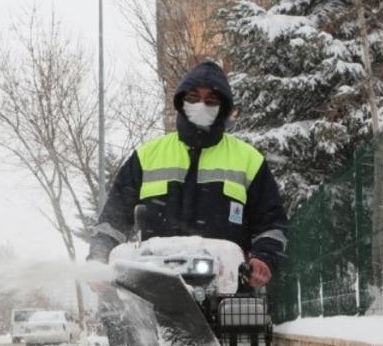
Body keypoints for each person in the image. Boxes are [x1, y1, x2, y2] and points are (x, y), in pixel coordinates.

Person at [87, 59, 288, 285]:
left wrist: (264, 258)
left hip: (228, 287)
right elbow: (113, 218)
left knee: (248, 309)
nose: (201, 105)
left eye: (211, 101)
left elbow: (271, 223)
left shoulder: (248, 159)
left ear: (223, 108)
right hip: (156, 288)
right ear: (181, 101)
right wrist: (99, 257)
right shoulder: (147, 156)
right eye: (193, 98)